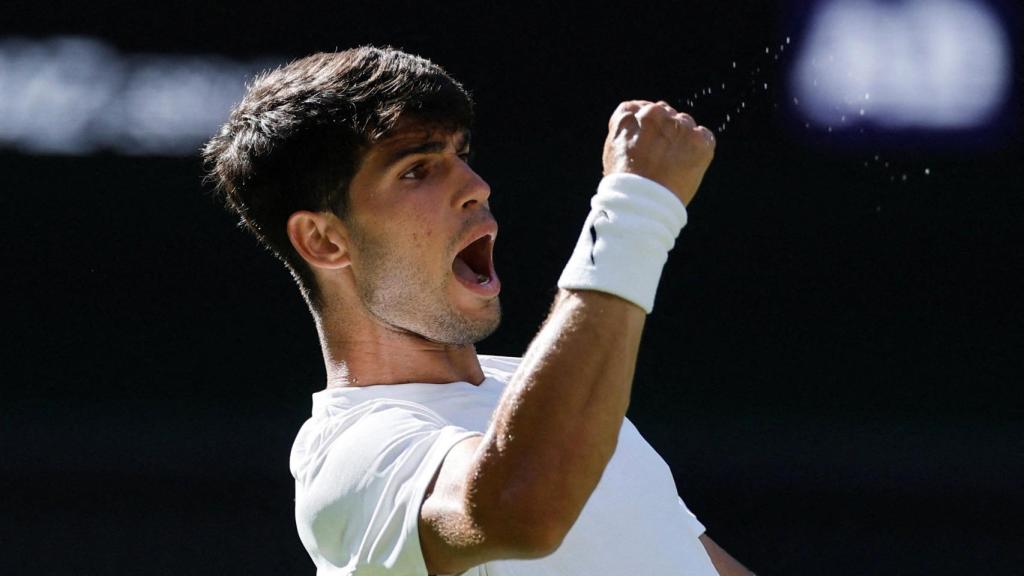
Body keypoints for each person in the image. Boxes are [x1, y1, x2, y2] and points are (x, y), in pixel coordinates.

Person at [204, 46, 754, 576]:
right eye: (416, 170)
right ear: (324, 241)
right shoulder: (350, 456)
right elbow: (523, 506)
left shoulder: (544, 395)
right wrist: (634, 209)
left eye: (461, 156)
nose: (476, 187)